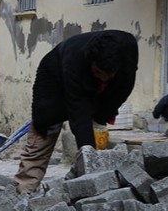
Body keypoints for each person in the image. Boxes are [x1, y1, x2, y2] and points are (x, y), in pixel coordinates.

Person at [14, 30, 139, 194]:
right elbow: (79, 113)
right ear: (91, 62)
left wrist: (101, 117)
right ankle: (24, 190)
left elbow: (124, 87)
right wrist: (88, 155)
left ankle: (87, 186)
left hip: (99, 86)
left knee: (97, 125)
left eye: (108, 75)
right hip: (54, 77)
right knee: (45, 125)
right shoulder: (74, 60)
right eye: (98, 73)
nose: (103, 78)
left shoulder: (127, 50)